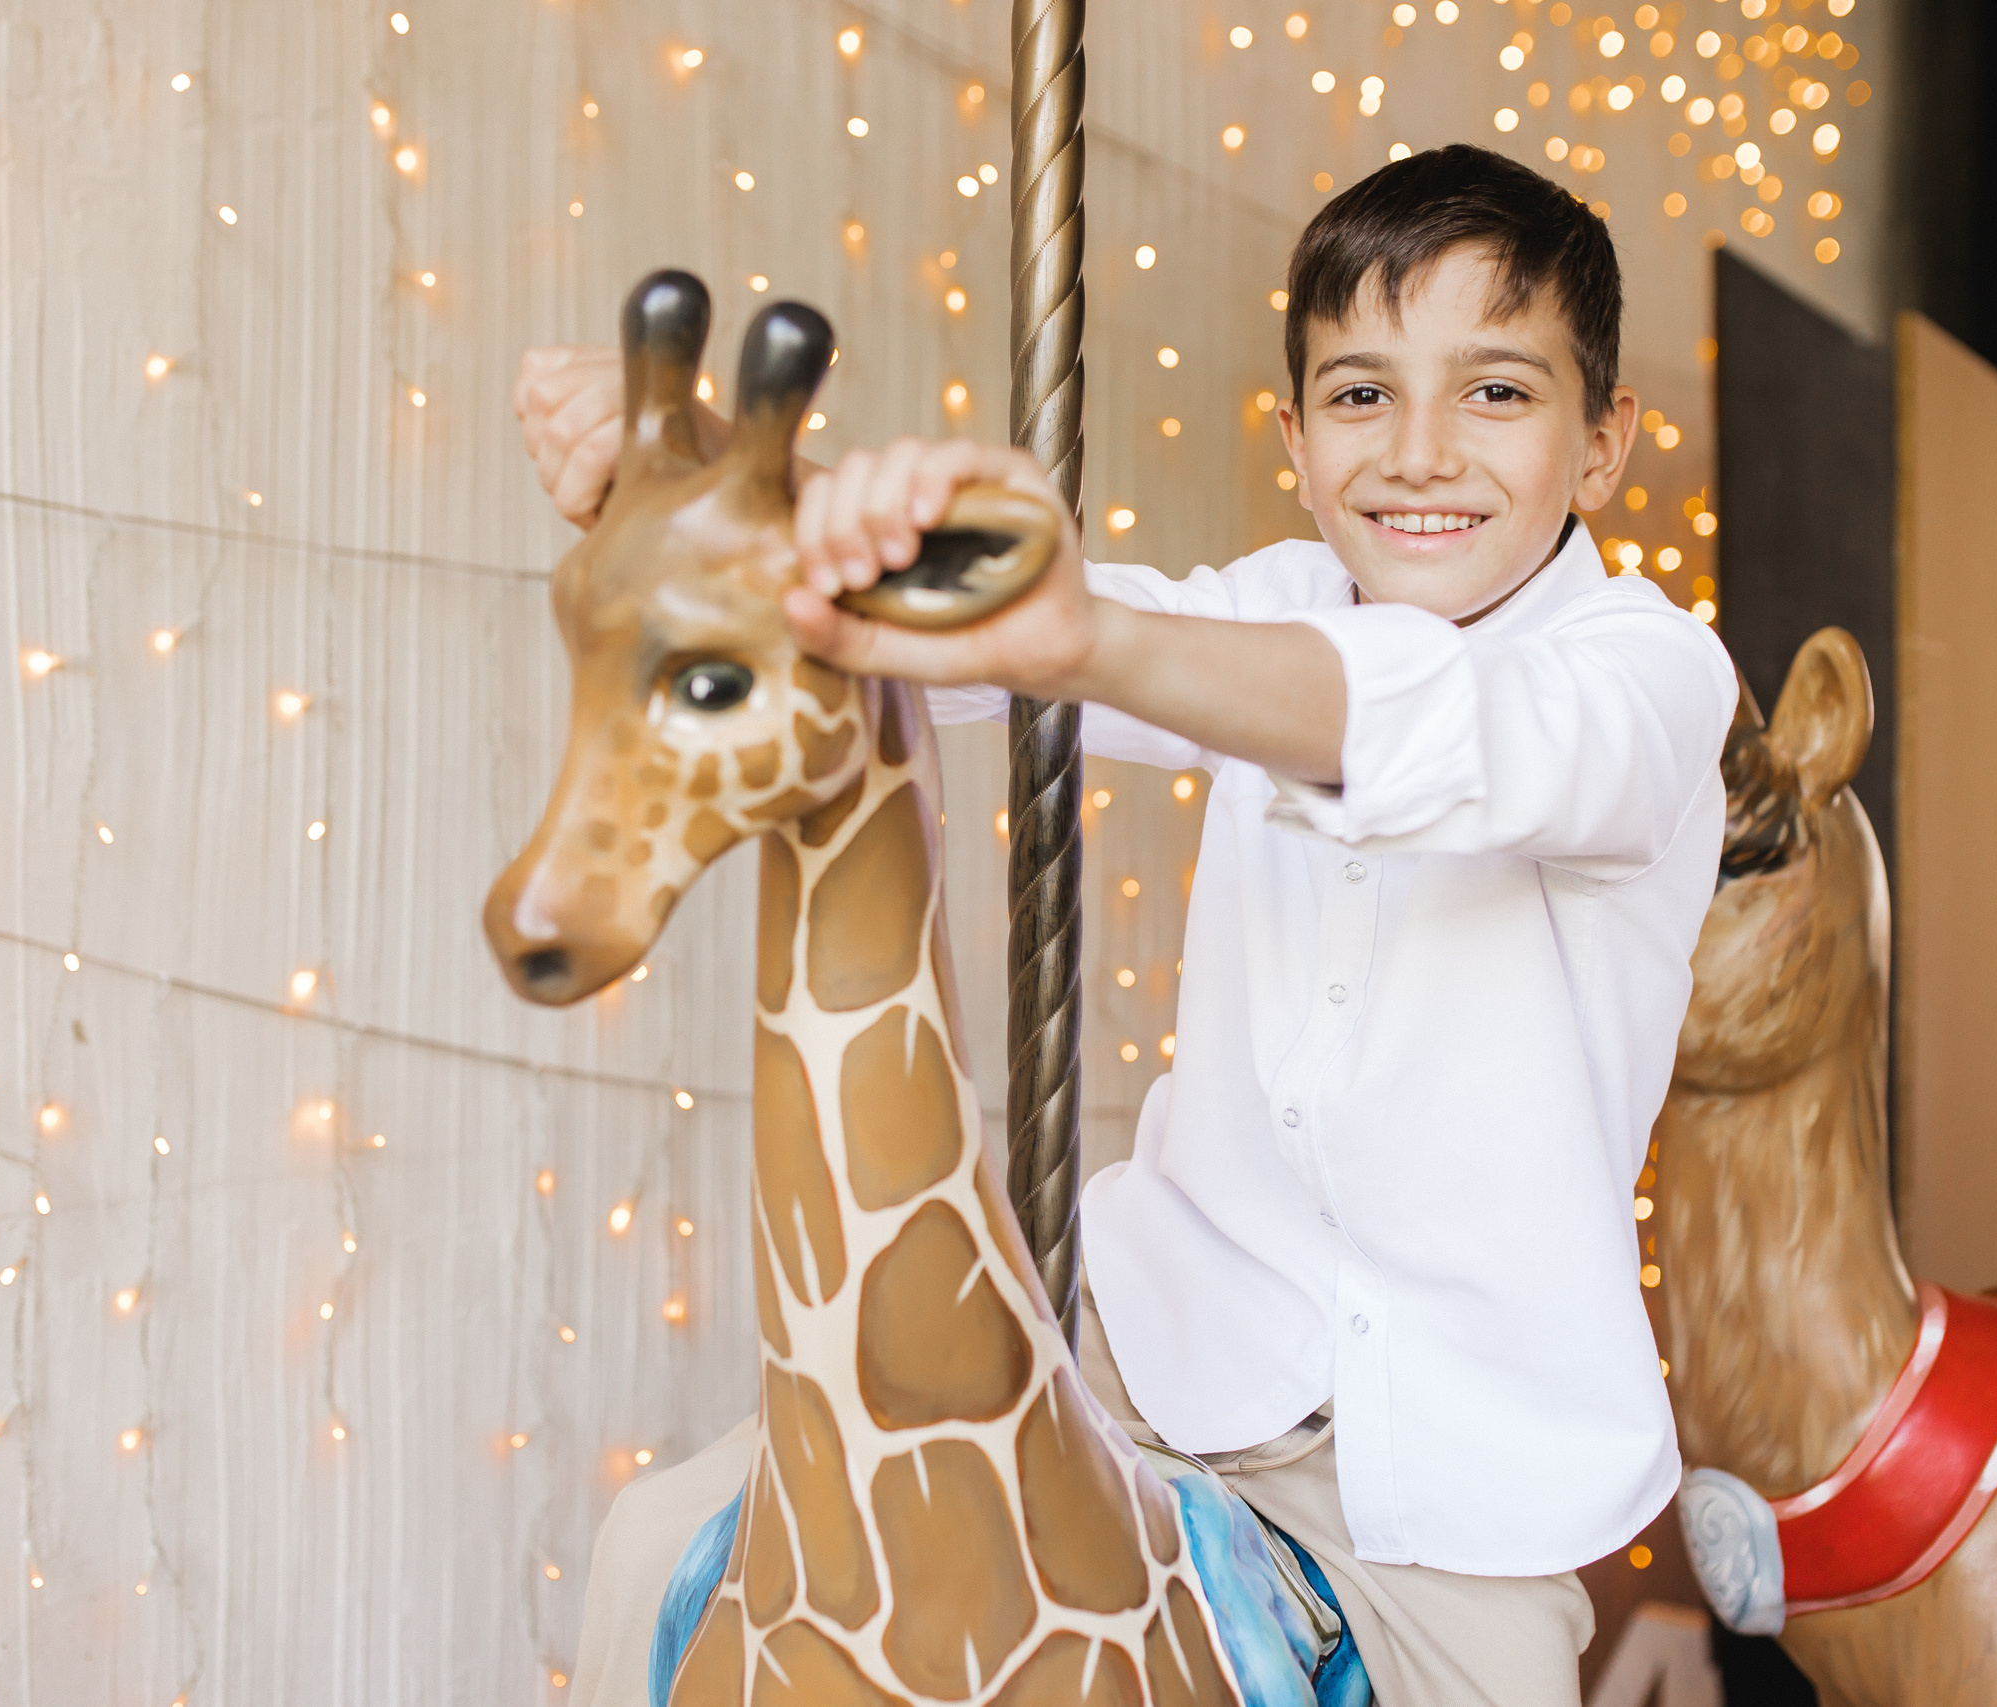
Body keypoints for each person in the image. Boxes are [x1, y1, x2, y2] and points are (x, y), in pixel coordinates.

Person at [519, 144, 1735, 1707]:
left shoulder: (1646, 673)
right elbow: (951, 634)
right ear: (1295, 440)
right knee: (651, 1543)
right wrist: (734, 490)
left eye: (1495, 393)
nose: (1420, 451)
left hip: (1447, 1526)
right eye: (1363, 396)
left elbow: (1461, 735)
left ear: (1602, 444)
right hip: (1142, 1389)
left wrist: (1094, 637)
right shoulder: (1277, 604)